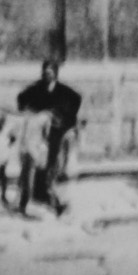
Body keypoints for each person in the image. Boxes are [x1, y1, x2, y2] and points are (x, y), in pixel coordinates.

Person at [16, 58, 82, 217]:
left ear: (56, 74)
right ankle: (35, 197)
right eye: (45, 73)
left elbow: (77, 100)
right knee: (36, 165)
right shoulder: (37, 88)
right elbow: (21, 99)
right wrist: (32, 110)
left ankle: (49, 196)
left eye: (50, 73)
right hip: (38, 135)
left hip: (55, 135)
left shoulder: (64, 91)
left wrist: (66, 118)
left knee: (53, 165)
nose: (47, 76)